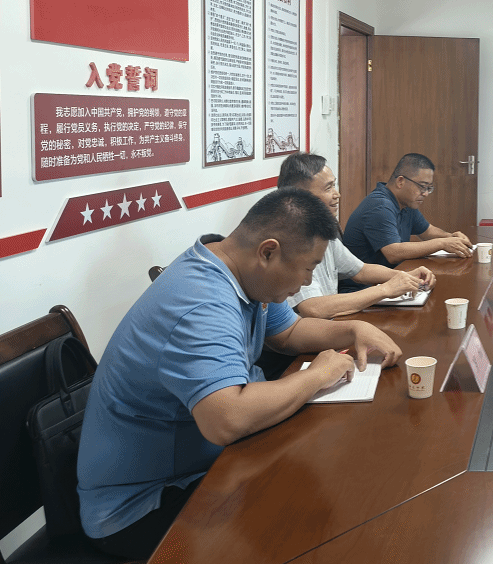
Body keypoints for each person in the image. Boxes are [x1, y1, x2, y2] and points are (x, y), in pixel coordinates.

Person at [77, 189, 403, 560]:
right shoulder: (201, 301)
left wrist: (353, 330)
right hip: (143, 506)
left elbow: (289, 332)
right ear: (268, 252)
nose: (307, 281)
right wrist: (317, 375)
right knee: (305, 526)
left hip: (210, 463)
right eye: (308, 267)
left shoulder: (241, 273)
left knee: (327, 486)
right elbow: (227, 420)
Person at [277, 152, 435, 318]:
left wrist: (407, 276)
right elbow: (314, 308)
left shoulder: (322, 228)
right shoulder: (289, 239)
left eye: (334, 185)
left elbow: (361, 271)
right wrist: (385, 289)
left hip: (332, 321)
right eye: (328, 188)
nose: (337, 194)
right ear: (300, 196)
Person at [343, 153, 473, 267]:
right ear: (400, 181)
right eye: (422, 186)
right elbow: (393, 253)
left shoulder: (406, 203)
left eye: (429, 188)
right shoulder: (380, 206)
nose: (425, 193)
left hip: (391, 276)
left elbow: (427, 231)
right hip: (365, 284)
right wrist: (442, 243)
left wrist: (452, 238)